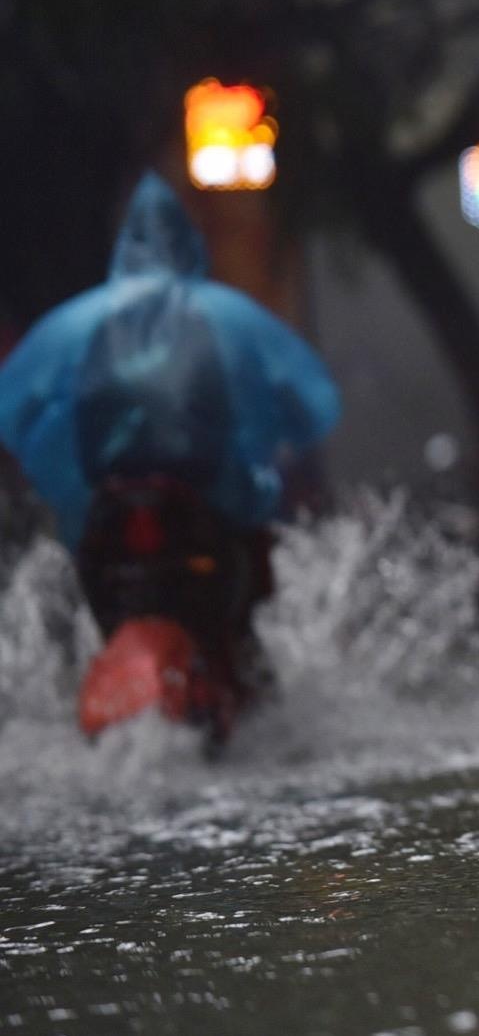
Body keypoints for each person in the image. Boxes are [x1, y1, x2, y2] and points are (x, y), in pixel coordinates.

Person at [0, 174, 340, 722]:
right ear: (190, 244)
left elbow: (13, 414)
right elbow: (311, 405)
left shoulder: (74, 322)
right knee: (247, 626)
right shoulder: (227, 312)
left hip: (107, 522)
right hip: (207, 517)